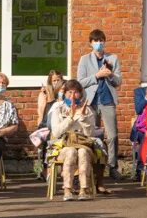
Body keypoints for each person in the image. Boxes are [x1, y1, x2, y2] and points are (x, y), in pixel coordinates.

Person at [76, 29, 123, 177]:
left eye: (101, 40)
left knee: (112, 135)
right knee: (92, 135)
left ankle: (113, 166)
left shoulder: (112, 58)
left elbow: (118, 81)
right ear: (91, 43)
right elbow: (80, 82)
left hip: (107, 100)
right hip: (91, 101)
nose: (99, 43)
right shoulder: (85, 59)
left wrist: (109, 75)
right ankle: (92, 166)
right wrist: (97, 75)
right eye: (96, 41)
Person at [48, 79, 99, 200]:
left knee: (82, 152)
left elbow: (90, 134)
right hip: (63, 147)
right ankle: (67, 190)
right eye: (69, 92)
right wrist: (70, 118)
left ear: (81, 94)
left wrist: (83, 118)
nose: (72, 96)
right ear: (64, 93)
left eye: (76, 93)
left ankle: (84, 190)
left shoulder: (87, 110)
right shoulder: (58, 108)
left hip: (83, 145)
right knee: (71, 151)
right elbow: (56, 132)